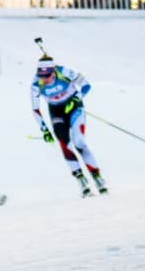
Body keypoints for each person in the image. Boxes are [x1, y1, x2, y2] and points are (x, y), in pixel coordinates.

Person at [30, 41, 106, 197]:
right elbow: (35, 109)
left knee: (78, 142)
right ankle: (81, 180)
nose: (44, 80)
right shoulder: (35, 84)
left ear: (53, 71)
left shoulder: (64, 71)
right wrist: (44, 130)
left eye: (47, 76)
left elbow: (86, 85)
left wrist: (76, 99)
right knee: (64, 143)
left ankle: (97, 177)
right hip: (56, 111)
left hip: (74, 107)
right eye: (41, 76)